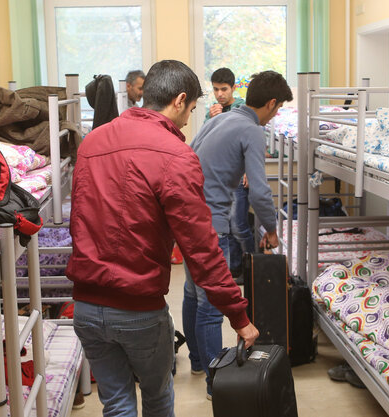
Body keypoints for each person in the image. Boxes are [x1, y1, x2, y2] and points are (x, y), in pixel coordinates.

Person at [66, 59, 259, 417]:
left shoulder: (92, 143)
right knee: (156, 399)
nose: (190, 118)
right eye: (192, 108)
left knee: (117, 403)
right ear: (179, 100)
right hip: (138, 308)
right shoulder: (176, 155)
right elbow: (201, 250)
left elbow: (79, 220)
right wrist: (238, 315)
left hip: (86, 307)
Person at [184, 70, 291, 398]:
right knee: (211, 305)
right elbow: (260, 192)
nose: (276, 116)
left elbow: (188, 156)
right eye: (278, 109)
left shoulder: (219, 119)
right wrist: (271, 229)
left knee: (192, 292)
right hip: (209, 223)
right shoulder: (252, 130)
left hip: (187, 216)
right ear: (270, 103)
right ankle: (216, 384)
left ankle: (198, 362)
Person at [206, 67, 253, 279]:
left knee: (239, 225)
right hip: (219, 177)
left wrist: (249, 169)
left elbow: (247, 139)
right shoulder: (213, 111)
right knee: (225, 225)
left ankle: (252, 267)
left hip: (238, 175)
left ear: (233, 88)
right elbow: (209, 141)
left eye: (224, 89)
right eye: (216, 89)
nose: (219, 94)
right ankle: (234, 268)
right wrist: (211, 119)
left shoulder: (242, 108)